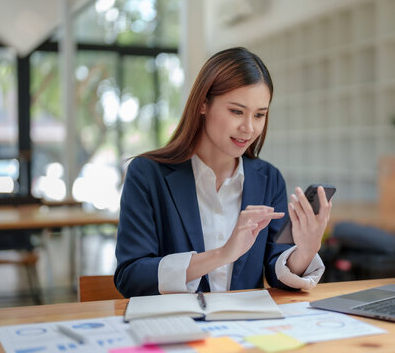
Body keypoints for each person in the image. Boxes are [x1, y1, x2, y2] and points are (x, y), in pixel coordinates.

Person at [114, 47, 332, 297]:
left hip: (245, 329)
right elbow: (131, 277)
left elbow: (276, 271)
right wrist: (222, 254)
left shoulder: (268, 179)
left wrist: (306, 250)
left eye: (260, 115)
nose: (249, 128)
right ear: (203, 104)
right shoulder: (147, 175)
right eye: (236, 111)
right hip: (177, 327)